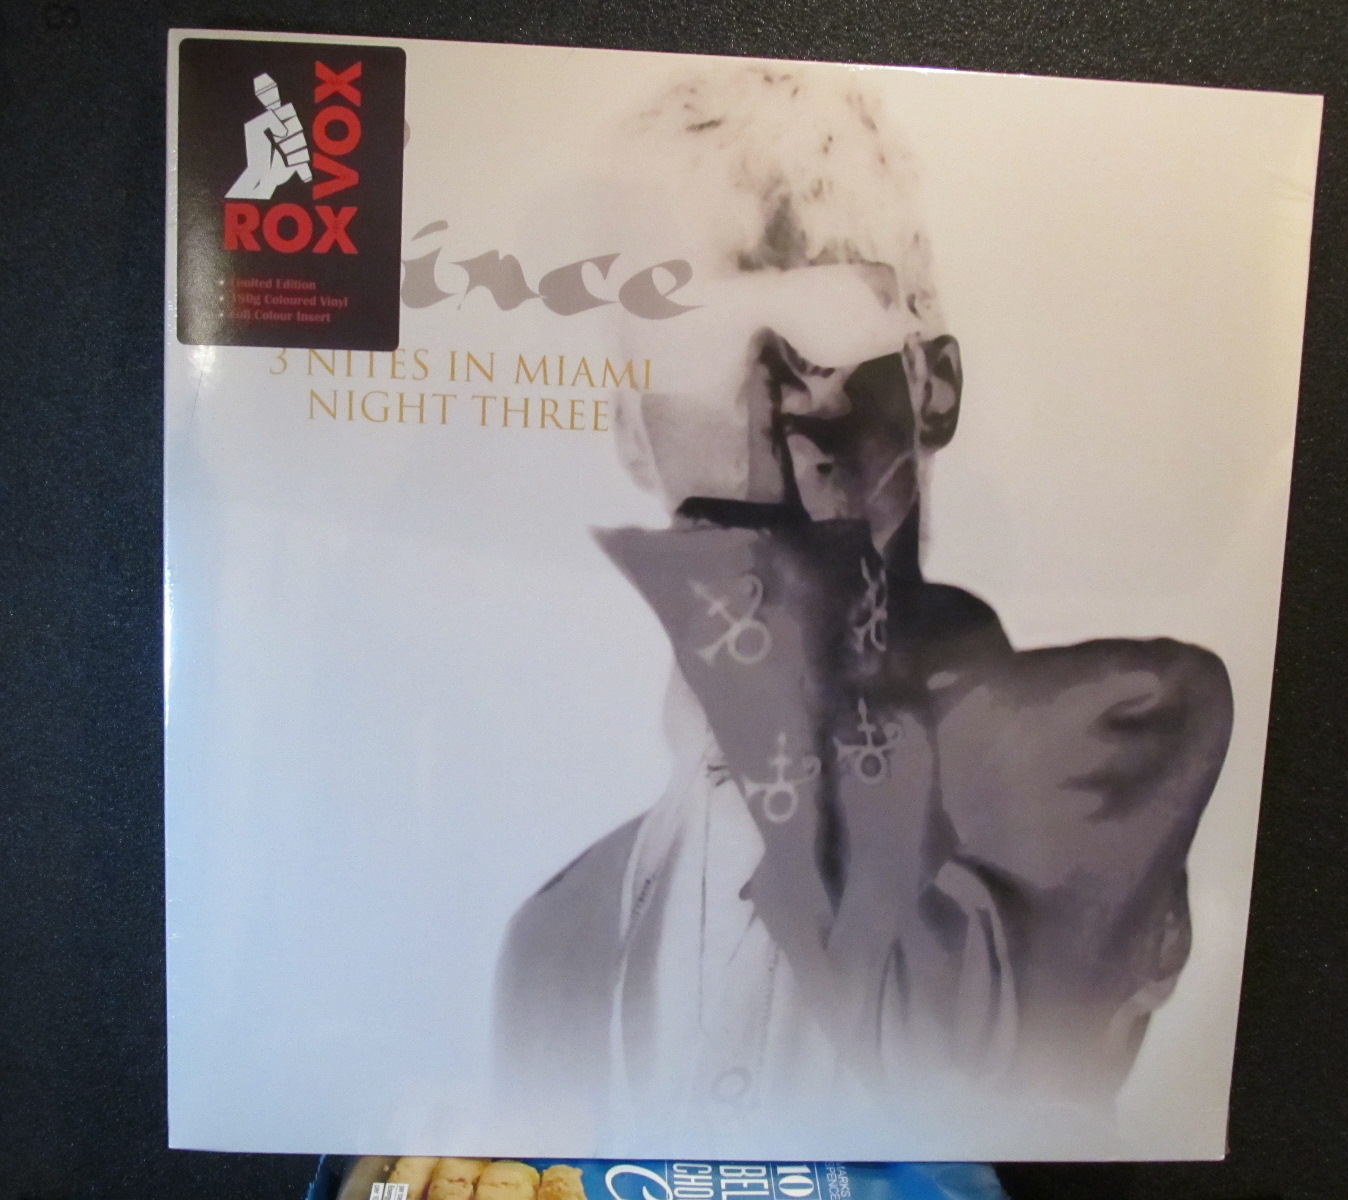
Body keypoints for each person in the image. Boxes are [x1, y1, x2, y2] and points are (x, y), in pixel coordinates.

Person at [493, 66, 1232, 1136]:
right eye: (690, 332)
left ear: (932, 384)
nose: (768, 401)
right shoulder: (558, 934)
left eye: (813, 321)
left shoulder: (1116, 735)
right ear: (629, 430)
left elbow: (962, 1074)